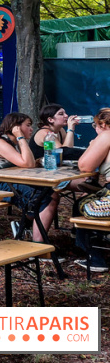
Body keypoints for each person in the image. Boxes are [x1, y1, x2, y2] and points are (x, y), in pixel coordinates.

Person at [0, 113, 56, 242]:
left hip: (4, 181)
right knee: (45, 199)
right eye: (28, 125)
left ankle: (23, 227)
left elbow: (27, 163)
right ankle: (38, 244)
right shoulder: (0, 143)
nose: (31, 129)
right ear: (15, 127)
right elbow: (28, 164)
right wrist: (20, 137)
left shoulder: (11, 141)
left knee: (51, 194)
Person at [74, 109, 110, 272]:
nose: (95, 129)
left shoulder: (106, 135)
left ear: (103, 124)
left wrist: (92, 146)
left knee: (82, 205)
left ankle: (95, 258)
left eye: (95, 126)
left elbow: (84, 166)